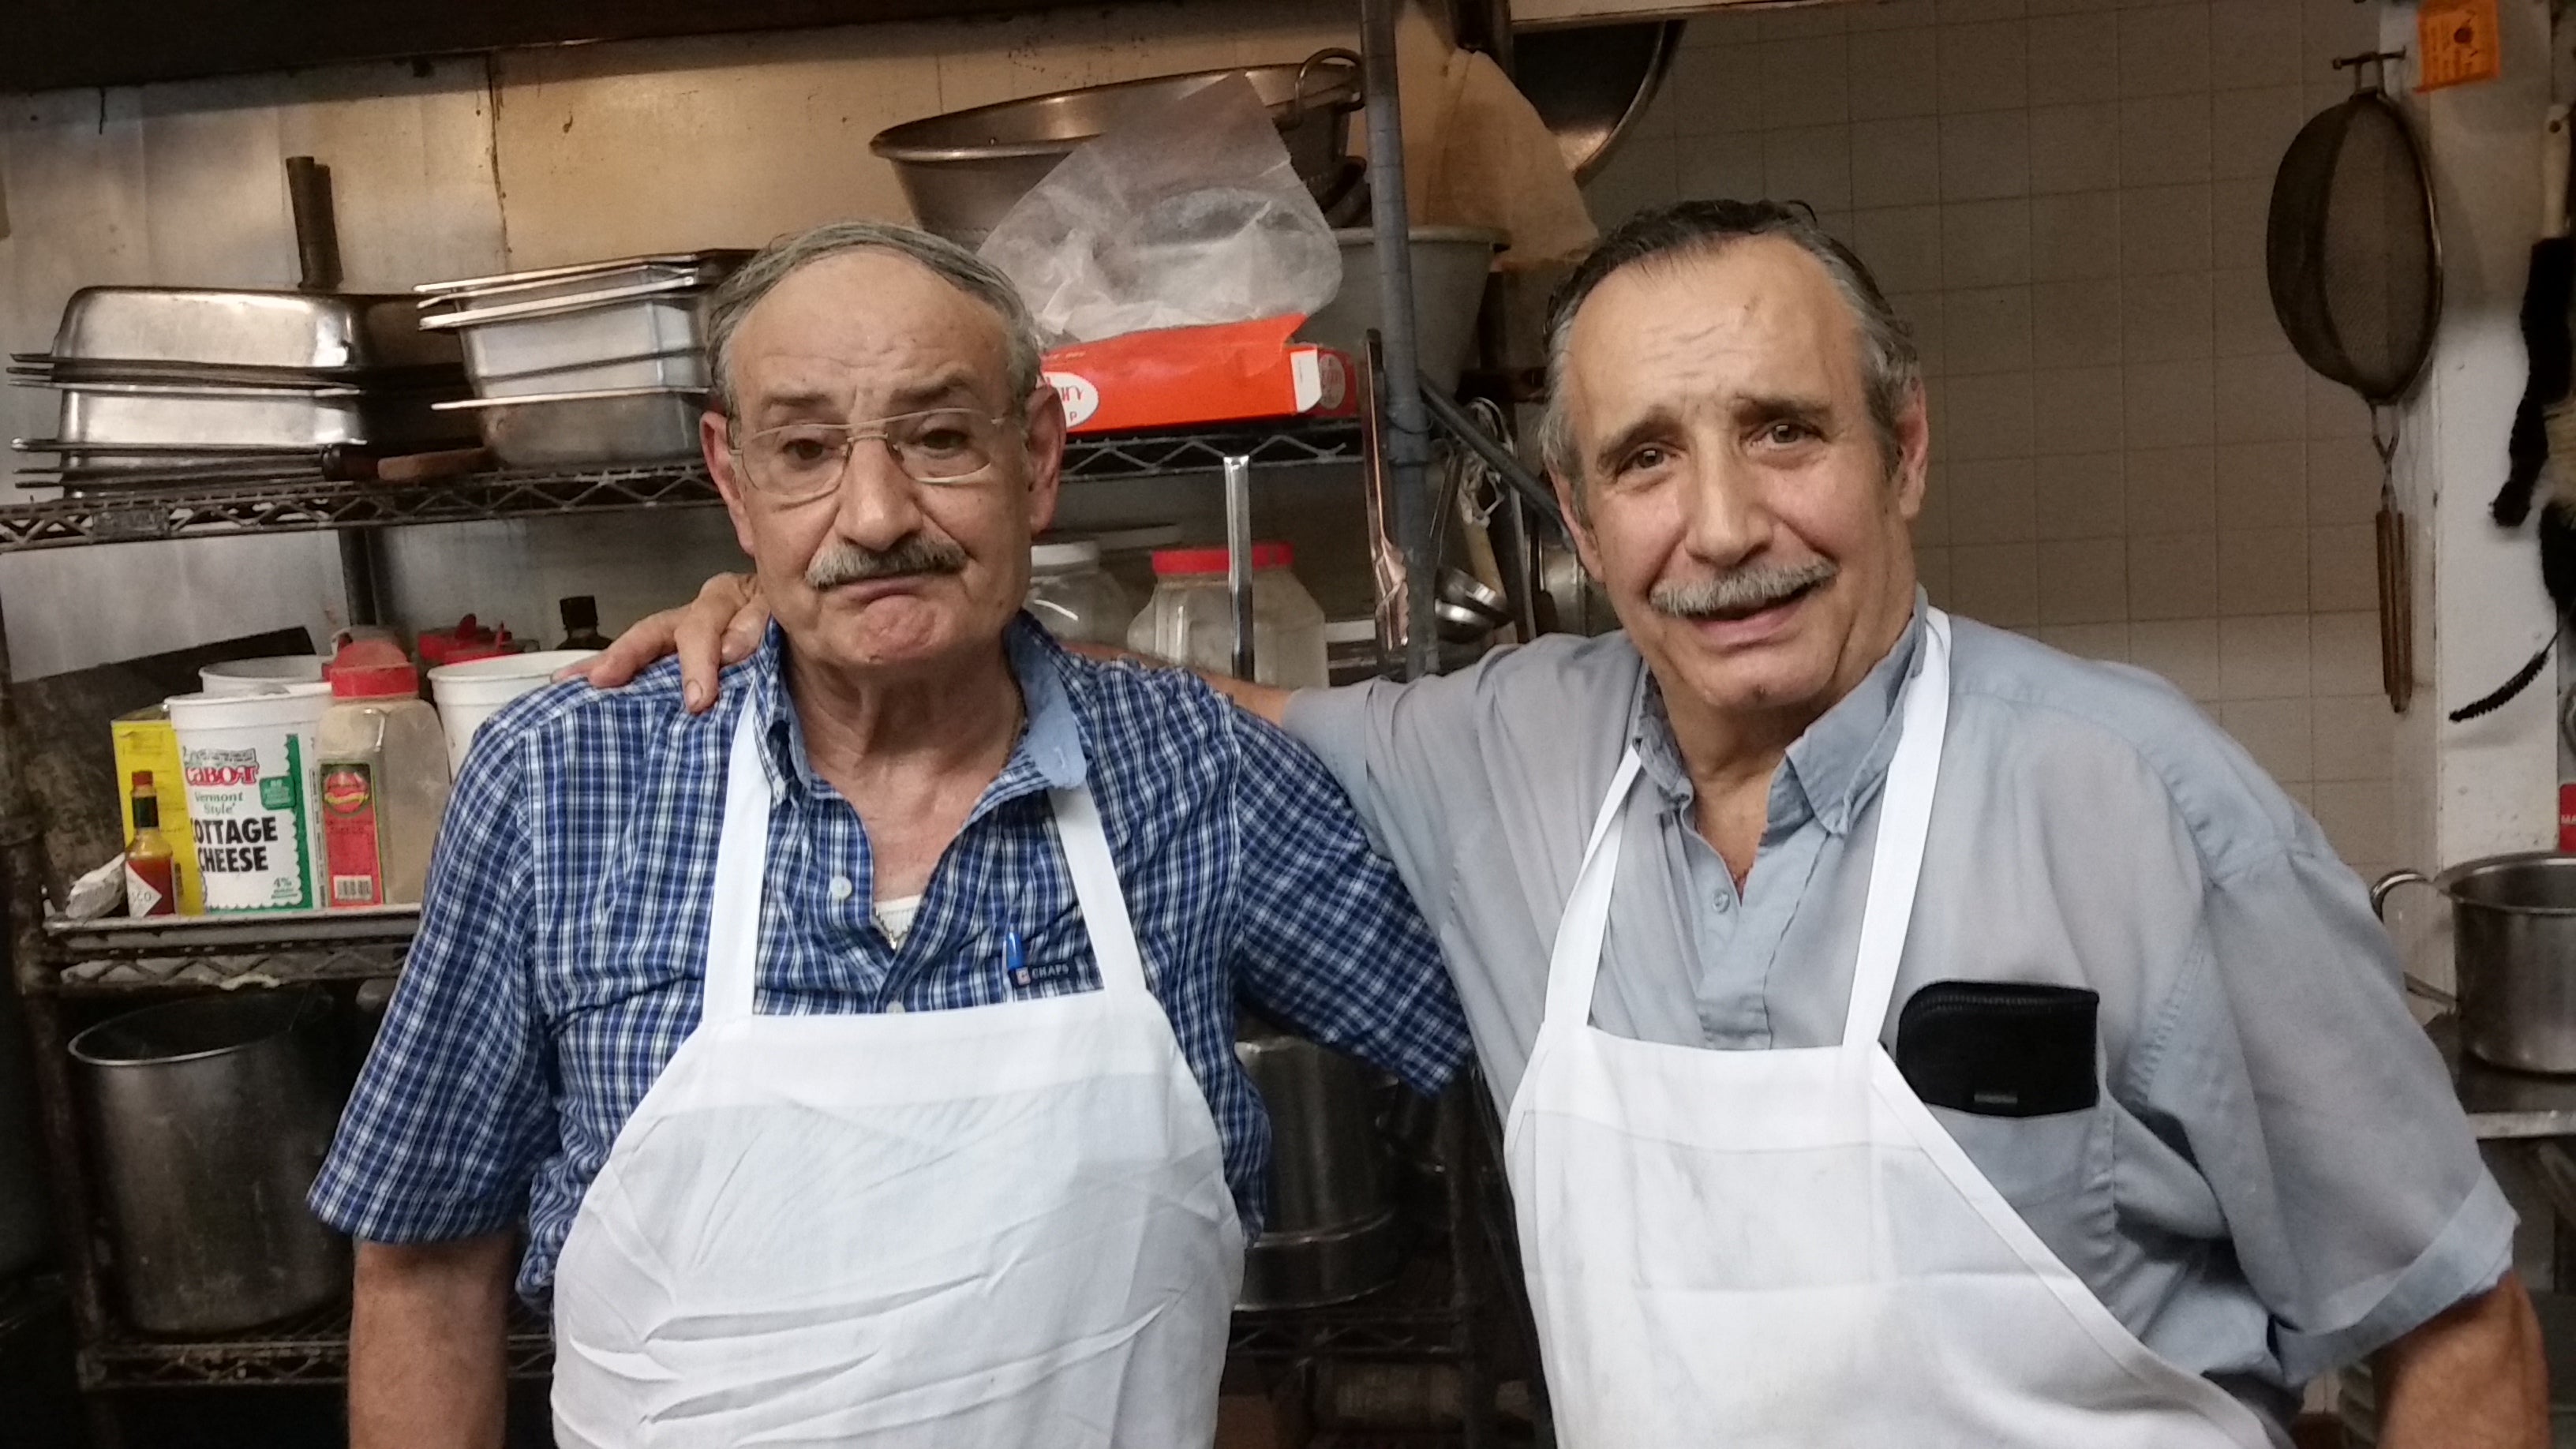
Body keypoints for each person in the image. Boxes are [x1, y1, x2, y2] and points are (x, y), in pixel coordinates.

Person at [601, 200, 2548, 1446]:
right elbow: (1138, 710)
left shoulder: (2146, 803)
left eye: (1784, 433)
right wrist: (803, 617)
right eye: (1644, 461)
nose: (1719, 530)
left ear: (1907, 449)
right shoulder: (1506, 755)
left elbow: (2456, 1338)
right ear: (1574, 510)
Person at [310, 220, 1470, 1449]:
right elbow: (427, 1265)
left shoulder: (1193, 769)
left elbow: (1503, 1049)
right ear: (732, 480)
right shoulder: (561, 782)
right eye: (805, 451)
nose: (874, 512)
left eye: (938, 437)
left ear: (1034, 459)